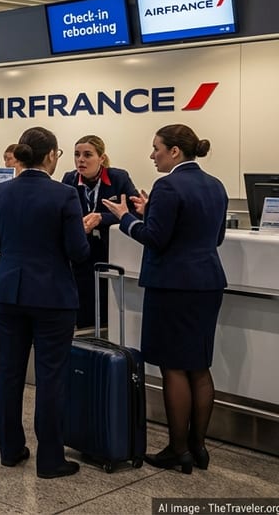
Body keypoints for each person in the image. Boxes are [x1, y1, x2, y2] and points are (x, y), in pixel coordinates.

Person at [103, 124, 228, 474]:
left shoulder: (168, 184)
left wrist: (126, 218)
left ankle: (177, 450)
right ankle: (198, 448)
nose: (152, 154)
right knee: (199, 366)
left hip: (174, 286)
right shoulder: (215, 185)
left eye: (156, 147)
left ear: (175, 151)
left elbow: (155, 239)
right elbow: (214, 237)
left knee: (173, 365)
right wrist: (150, 212)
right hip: (207, 283)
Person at [0, 127, 90, 479]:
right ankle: (50, 459)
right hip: (52, 296)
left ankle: (10, 450)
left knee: (10, 372)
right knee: (51, 378)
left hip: (9, 292)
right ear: (50, 156)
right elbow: (77, 251)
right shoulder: (65, 195)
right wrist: (82, 231)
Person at [61, 135, 138, 329]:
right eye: (77, 155)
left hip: (110, 249)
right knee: (84, 300)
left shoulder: (118, 177)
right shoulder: (69, 179)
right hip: (81, 250)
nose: (81, 160)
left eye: (87, 155)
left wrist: (102, 218)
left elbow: (133, 211)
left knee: (107, 301)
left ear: (101, 158)